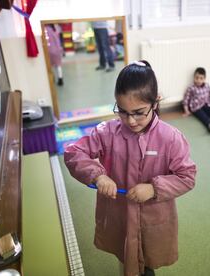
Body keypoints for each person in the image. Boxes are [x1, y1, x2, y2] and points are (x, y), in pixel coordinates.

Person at [64, 60, 196, 276]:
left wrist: (154, 188)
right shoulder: (106, 132)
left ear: (155, 103)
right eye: (123, 112)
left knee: (147, 257)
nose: (131, 121)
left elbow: (187, 176)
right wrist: (98, 176)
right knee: (125, 251)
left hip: (153, 216)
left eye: (138, 112)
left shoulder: (171, 138)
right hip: (120, 213)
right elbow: (73, 152)